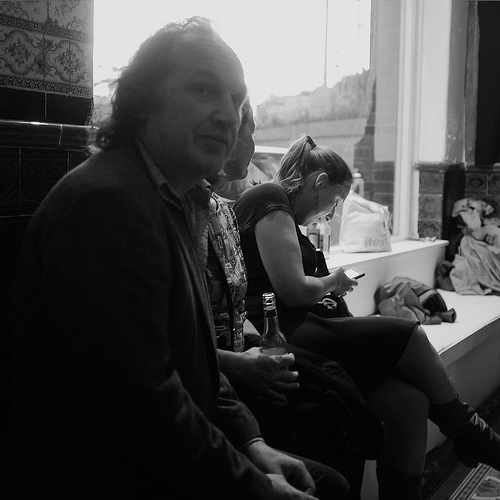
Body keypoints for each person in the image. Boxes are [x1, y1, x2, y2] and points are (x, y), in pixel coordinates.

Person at [3, 19, 349, 500]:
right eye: (204, 89)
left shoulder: (178, 200)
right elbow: (142, 406)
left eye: (236, 100)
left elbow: (196, 363)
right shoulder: (108, 204)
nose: (228, 116)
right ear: (143, 100)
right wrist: (256, 486)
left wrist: (252, 443)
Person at [233, 134, 500, 499]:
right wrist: (335, 280)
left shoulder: (285, 215)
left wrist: (328, 287)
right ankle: (470, 433)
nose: (332, 213)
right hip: (277, 330)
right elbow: (293, 291)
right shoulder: (270, 198)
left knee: (410, 403)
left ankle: (458, 443)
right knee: (410, 333)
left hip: (303, 324)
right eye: (335, 201)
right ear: (318, 182)